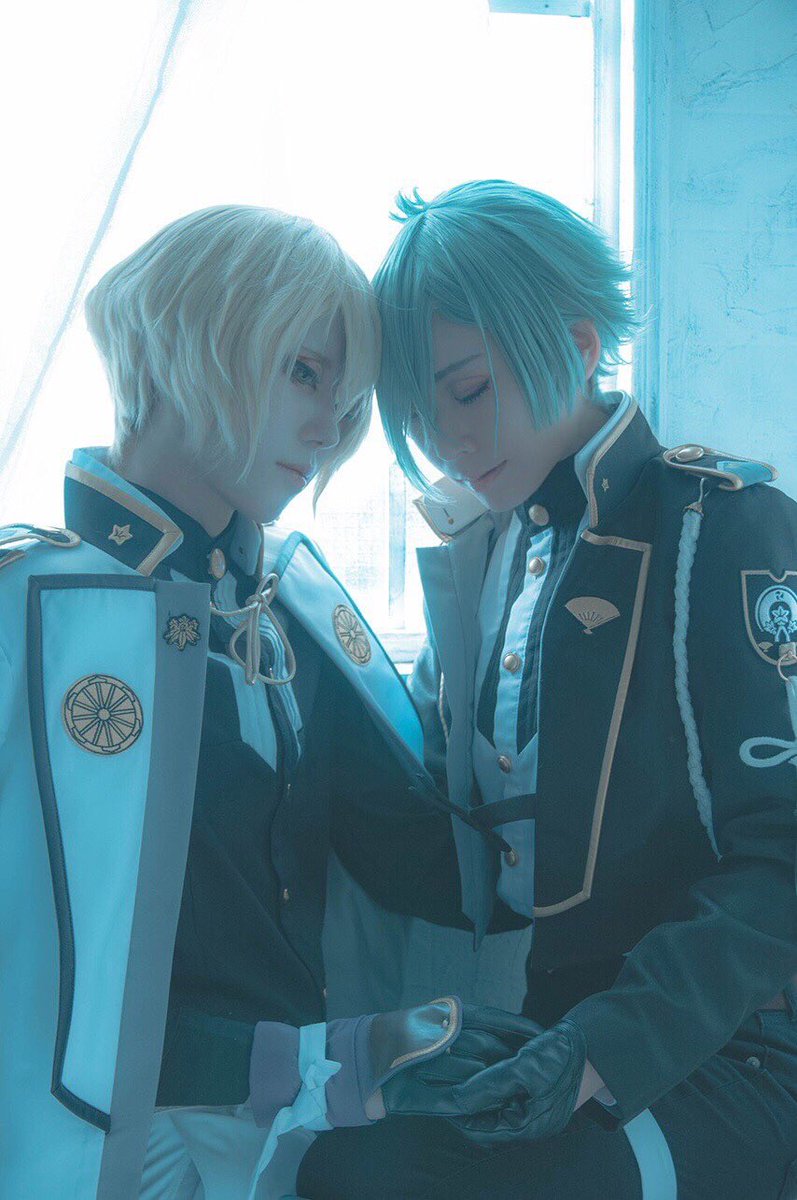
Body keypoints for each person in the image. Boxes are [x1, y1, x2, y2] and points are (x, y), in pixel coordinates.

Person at [0, 204, 521, 1200]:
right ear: (183, 346)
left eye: (347, 400)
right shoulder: (27, 608)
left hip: (293, 1125)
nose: (328, 430)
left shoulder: (293, 610)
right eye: (302, 373)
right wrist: (299, 1063)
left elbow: (435, 867)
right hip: (90, 1141)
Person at [296, 181, 797, 1199]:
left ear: (574, 344)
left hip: (730, 1043)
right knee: (335, 1167)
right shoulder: (492, 555)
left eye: (468, 390)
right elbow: (448, 837)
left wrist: (603, 1048)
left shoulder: (721, 524)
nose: (445, 442)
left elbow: (781, 853)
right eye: (416, 413)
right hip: (552, 1036)